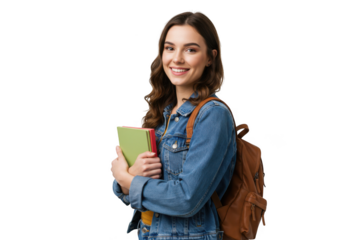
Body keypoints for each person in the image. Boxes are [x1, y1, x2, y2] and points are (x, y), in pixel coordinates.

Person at [111, 9, 237, 240]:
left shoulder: (213, 115)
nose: (177, 58)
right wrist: (129, 177)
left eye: (190, 49)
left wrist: (126, 178)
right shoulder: (163, 112)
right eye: (170, 48)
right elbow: (129, 195)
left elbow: (187, 199)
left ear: (210, 57)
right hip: (149, 232)